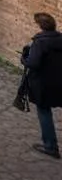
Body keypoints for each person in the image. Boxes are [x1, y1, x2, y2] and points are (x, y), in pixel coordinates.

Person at [23, 12, 62, 159]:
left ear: (41, 26)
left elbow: (33, 63)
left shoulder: (40, 42)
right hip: (59, 82)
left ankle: (51, 146)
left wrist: (24, 59)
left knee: (44, 112)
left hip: (43, 85)